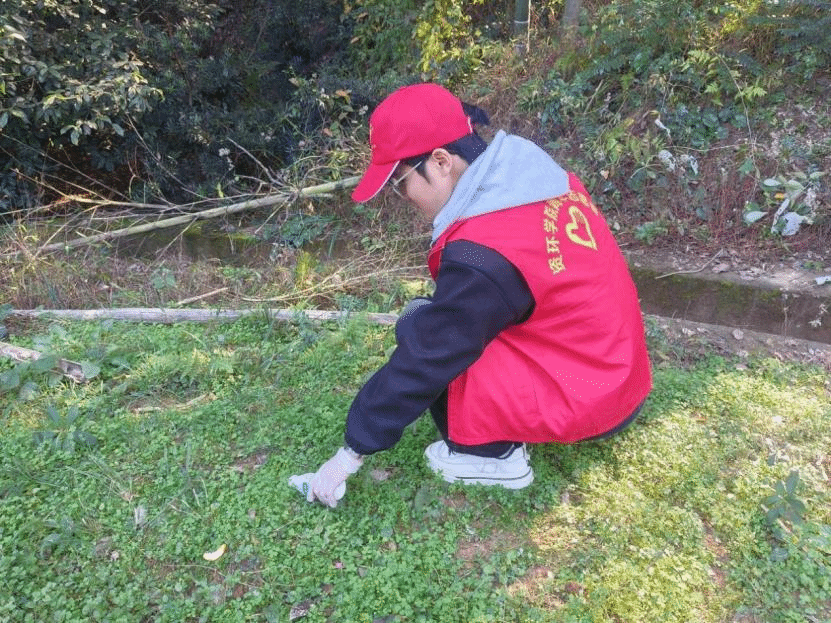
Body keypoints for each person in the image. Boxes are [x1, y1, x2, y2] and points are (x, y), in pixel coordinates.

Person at [293, 83, 652, 507]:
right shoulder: (529, 177)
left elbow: (430, 354)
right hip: (616, 373)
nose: (402, 198)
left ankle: (494, 457)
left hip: (589, 394)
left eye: (400, 182)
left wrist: (350, 453)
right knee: (438, 320)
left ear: (441, 161)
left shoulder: (486, 251)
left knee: (421, 326)